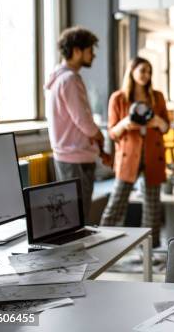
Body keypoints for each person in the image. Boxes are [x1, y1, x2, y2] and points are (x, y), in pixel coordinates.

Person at [100, 57, 170, 248]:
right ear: (131, 71)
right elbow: (112, 133)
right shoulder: (118, 98)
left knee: (152, 208)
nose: (146, 75)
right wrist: (124, 124)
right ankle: (103, 243)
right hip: (128, 157)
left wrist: (158, 122)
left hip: (153, 157)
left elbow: (166, 128)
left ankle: (150, 249)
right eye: (142, 71)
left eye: (149, 71)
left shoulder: (157, 97)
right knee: (116, 204)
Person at [45, 26, 103, 222]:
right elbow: (82, 119)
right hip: (75, 156)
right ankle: (79, 253)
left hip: (67, 155)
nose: (93, 55)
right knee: (79, 216)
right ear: (76, 51)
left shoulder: (59, 77)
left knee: (72, 216)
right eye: (90, 50)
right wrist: (98, 134)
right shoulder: (69, 79)